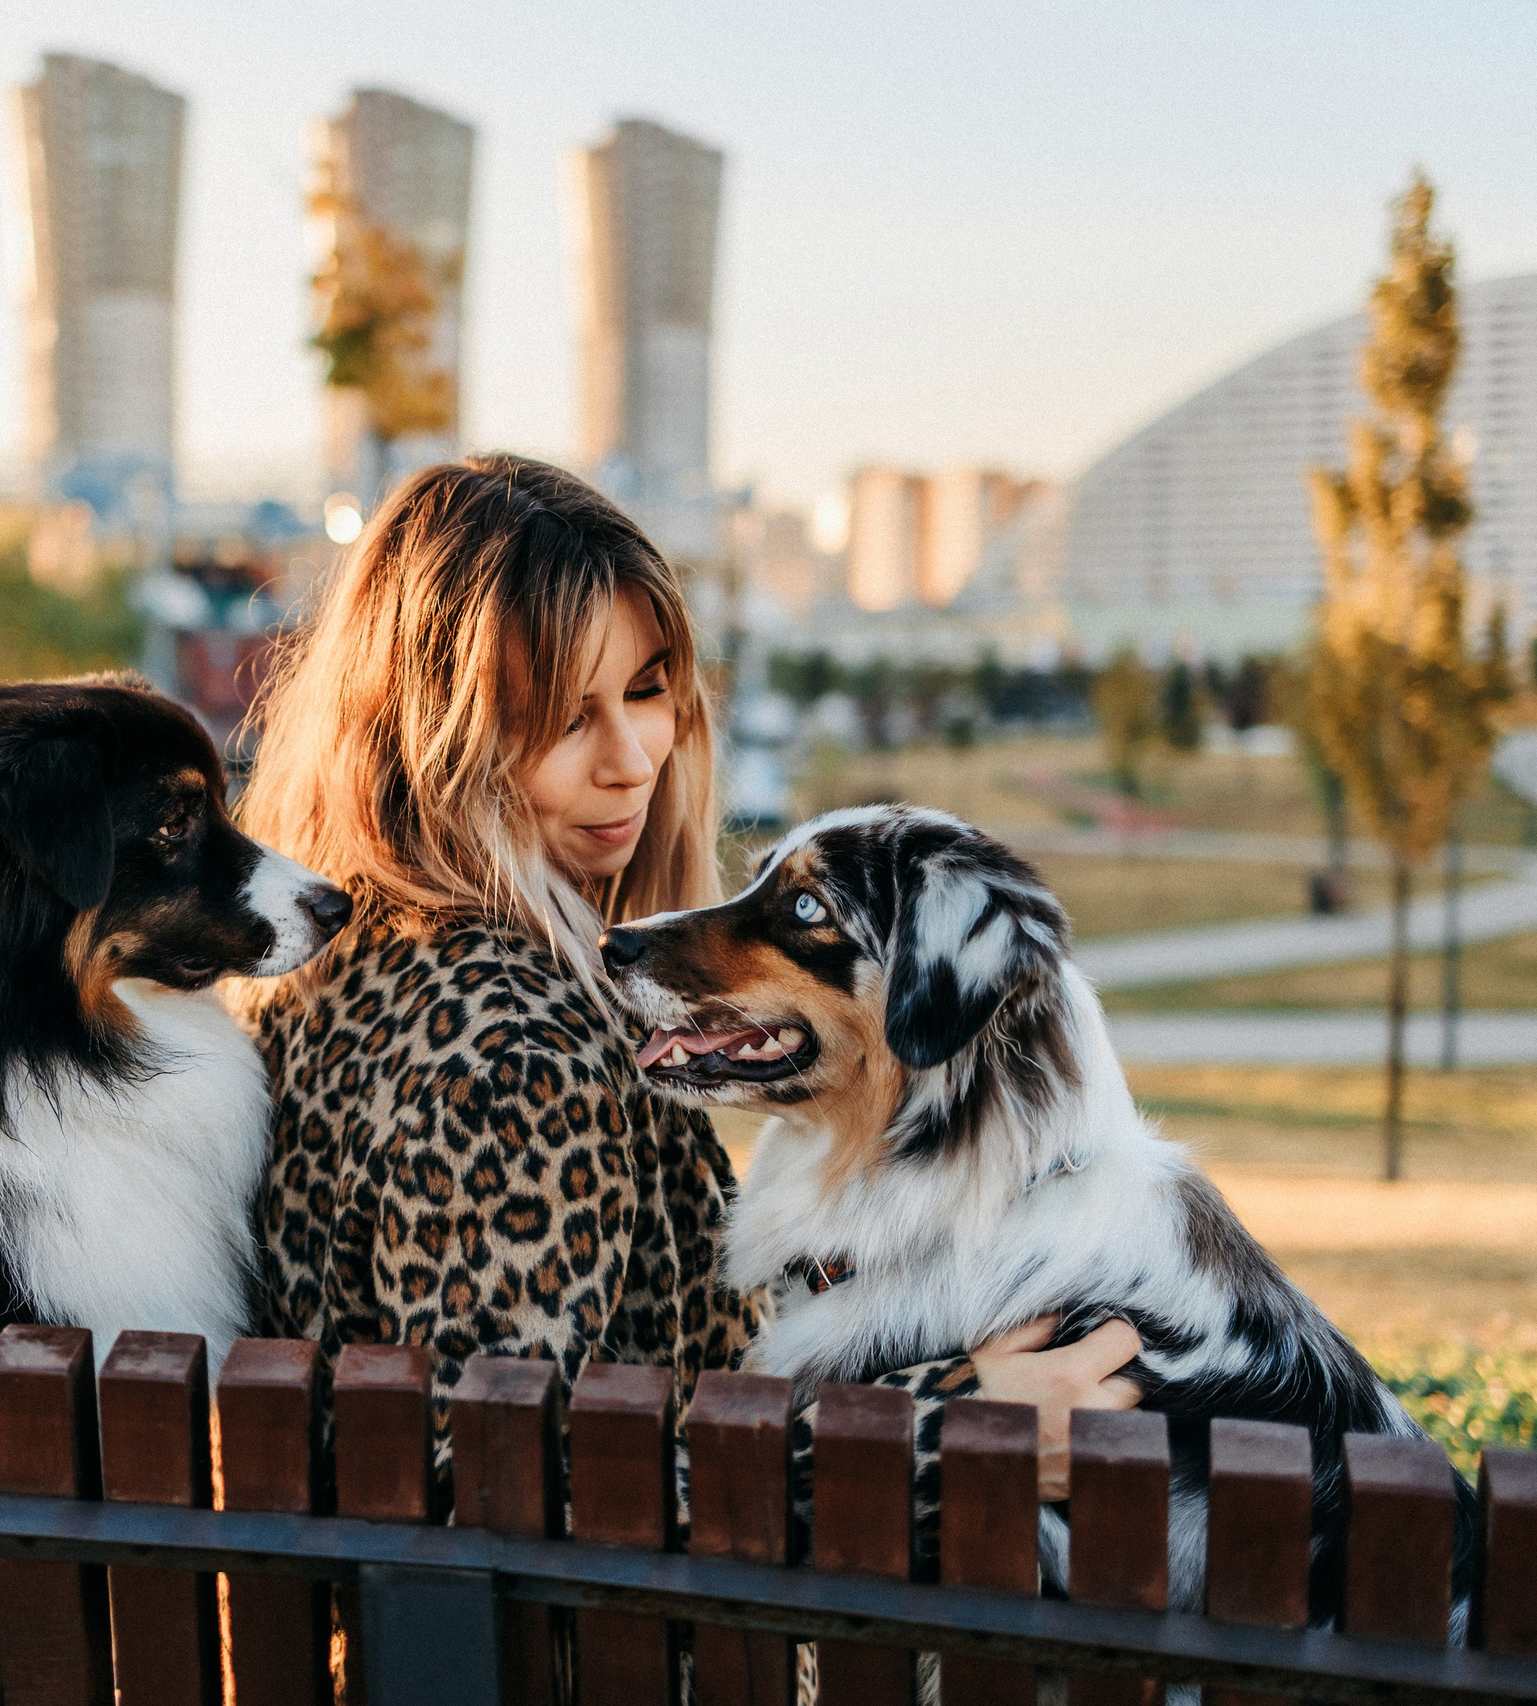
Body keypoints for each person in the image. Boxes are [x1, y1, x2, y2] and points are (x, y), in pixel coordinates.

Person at [235, 454, 1137, 1527]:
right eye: (566, 716)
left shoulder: (345, 963)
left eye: (650, 690)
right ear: (438, 734)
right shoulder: (503, 1061)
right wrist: (945, 1427)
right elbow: (516, 1486)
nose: (632, 758)